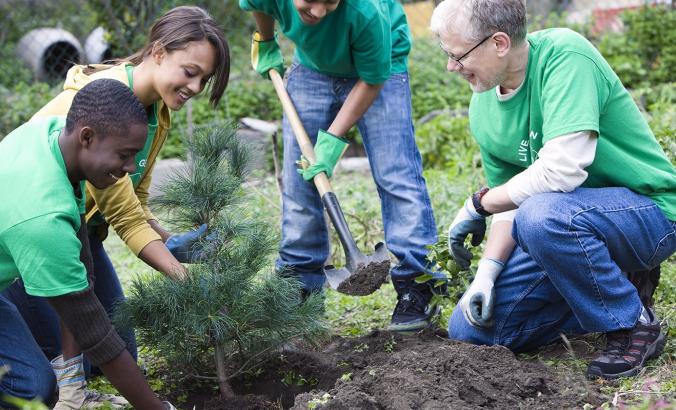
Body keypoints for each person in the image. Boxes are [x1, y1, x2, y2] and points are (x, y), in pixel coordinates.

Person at [430, 0, 676, 379]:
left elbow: (562, 171)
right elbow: (509, 200)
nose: (451, 66)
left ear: (498, 43)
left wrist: (478, 205)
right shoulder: (483, 105)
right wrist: (487, 274)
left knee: (541, 214)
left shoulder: (565, 57)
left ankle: (631, 324)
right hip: (567, 228)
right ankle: (613, 285)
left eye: (457, 55)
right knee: (471, 330)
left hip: (648, 212)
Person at [1, 5, 230, 405]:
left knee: (113, 344)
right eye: (190, 72)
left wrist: (168, 238)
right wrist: (185, 279)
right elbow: (123, 220)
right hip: (32, 240)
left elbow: (129, 204)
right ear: (158, 52)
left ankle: (51, 354)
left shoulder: (153, 113)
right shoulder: (86, 120)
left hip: (70, 235)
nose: (195, 87)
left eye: (204, 79)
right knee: (50, 374)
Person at [239, 0, 444, 333]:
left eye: (330, 1)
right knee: (299, 179)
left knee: (397, 175)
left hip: (381, 68)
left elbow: (372, 79)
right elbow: (258, 5)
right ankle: (300, 286)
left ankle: (416, 286)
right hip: (312, 68)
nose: (318, 12)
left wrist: (331, 141)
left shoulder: (366, 12)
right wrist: (265, 39)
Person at [0, 79, 175, 409]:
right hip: (21, 247)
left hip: (9, 264)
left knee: (76, 359)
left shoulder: (52, 138)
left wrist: (72, 377)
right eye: (124, 155)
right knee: (29, 386)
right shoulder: (43, 216)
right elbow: (93, 330)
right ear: (87, 137)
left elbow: (81, 264)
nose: (127, 170)